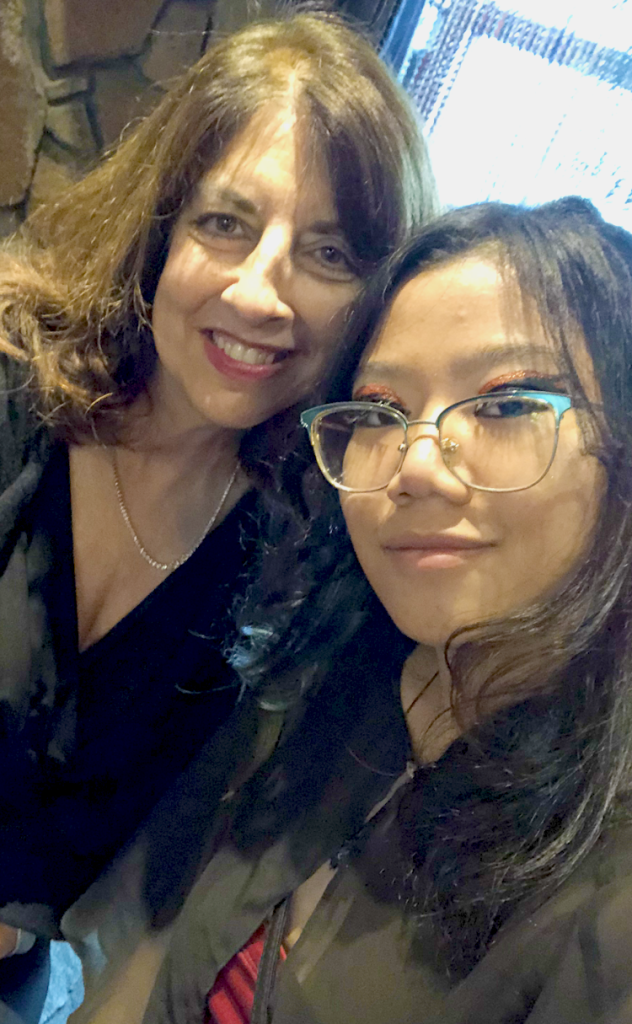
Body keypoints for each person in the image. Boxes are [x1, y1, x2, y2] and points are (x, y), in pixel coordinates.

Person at [0, 7, 435, 1021]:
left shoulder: (314, 557)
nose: (259, 290)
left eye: (329, 252)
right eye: (225, 223)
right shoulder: (13, 388)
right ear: (161, 229)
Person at [130, 197, 632, 1024]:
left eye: (506, 403)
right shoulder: (335, 677)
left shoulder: (606, 900)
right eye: (380, 412)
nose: (415, 465)